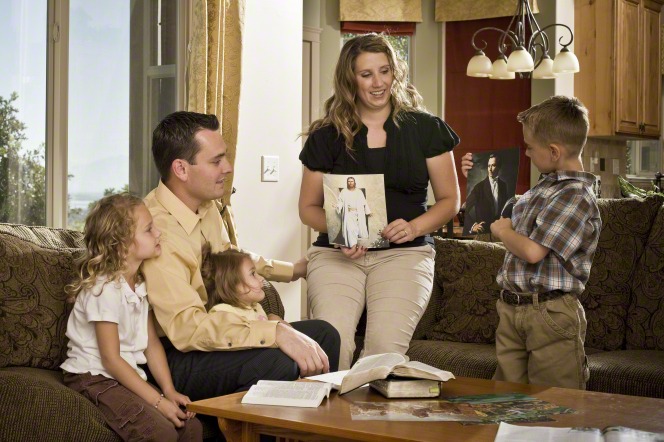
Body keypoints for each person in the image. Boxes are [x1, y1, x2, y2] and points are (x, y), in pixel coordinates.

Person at [142, 111, 340, 401]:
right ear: (181, 169)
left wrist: (293, 270)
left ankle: (312, 430)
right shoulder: (157, 233)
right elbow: (187, 330)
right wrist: (273, 333)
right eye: (216, 161)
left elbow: (231, 258)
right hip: (174, 355)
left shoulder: (205, 206)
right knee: (281, 362)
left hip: (215, 333)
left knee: (324, 334)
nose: (228, 167)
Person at [299, 33, 461, 370]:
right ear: (350, 80)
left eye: (384, 71)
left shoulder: (425, 129)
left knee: (382, 354)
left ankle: (369, 422)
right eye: (366, 74)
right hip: (337, 254)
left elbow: (449, 201)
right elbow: (308, 208)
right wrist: (342, 233)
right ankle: (325, 422)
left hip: (405, 254)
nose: (378, 83)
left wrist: (415, 226)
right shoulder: (325, 135)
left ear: (395, 72)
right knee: (332, 345)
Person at [61, 193, 203, 441]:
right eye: (149, 229)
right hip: (94, 377)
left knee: (191, 428)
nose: (159, 233)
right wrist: (158, 402)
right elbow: (111, 359)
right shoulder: (103, 289)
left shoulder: (138, 285)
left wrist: (169, 391)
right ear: (121, 245)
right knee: (160, 433)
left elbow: (151, 344)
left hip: (124, 374)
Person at [489, 96, 602, 389]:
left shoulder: (574, 195)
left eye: (529, 147)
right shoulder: (544, 188)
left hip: (550, 314)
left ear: (553, 151)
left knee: (555, 403)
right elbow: (516, 226)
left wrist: (503, 232)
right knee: (505, 399)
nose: (525, 153)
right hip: (512, 308)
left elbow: (532, 251)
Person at [200, 244, 272, 321]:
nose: (262, 278)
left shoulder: (257, 307)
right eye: (252, 273)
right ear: (231, 285)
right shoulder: (222, 314)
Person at [463, 154, 508, 235]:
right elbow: (463, 210)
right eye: (488, 166)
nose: (490, 169)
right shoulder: (478, 187)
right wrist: (473, 226)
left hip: (500, 233)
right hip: (483, 233)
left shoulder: (503, 185)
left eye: (493, 165)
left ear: (499, 167)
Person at [335, 176, 372, 248]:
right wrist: (337, 206)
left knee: (360, 229)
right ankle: (352, 247)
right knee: (350, 229)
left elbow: (364, 202)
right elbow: (340, 201)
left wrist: (368, 211)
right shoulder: (344, 191)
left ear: (354, 183)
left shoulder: (359, 192)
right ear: (347, 183)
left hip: (358, 213)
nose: (350, 183)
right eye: (349, 181)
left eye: (352, 181)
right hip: (349, 214)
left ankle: (362, 246)